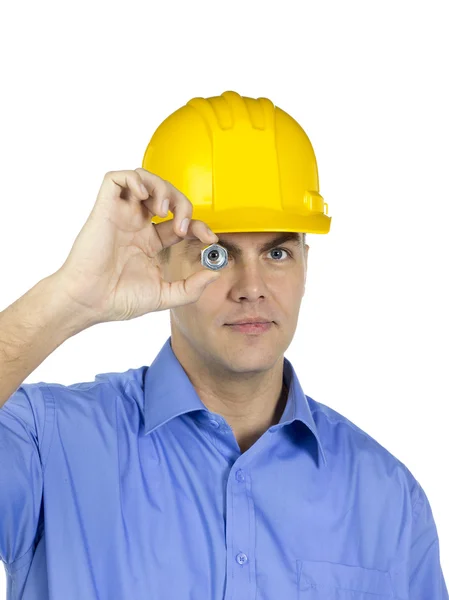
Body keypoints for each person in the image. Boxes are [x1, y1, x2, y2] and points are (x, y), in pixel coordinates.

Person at [0, 91, 447, 600]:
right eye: (217, 254)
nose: (251, 286)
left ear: (306, 265)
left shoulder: (388, 498)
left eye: (277, 251)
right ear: (162, 260)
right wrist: (70, 298)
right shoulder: (47, 443)